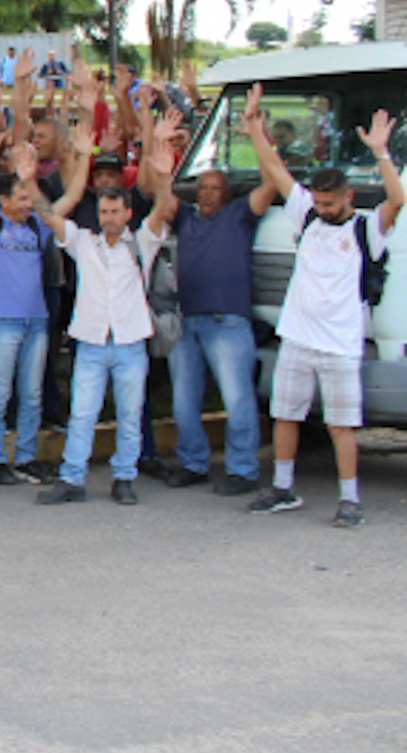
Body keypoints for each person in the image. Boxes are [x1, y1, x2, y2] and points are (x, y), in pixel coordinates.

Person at [245, 108, 402, 529]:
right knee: (286, 414)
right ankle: (282, 487)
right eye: (318, 202)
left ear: (348, 197)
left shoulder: (367, 230)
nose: (322, 208)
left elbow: (397, 200)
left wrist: (381, 152)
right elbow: (277, 170)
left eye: (329, 203)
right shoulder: (308, 216)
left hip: (340, 345)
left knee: (342, 426)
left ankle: (349, 499)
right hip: (297, 338)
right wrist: (256, 131)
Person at [34, 116, 179, 507]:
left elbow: (165, 210)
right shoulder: (84, 243)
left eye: (116, 211)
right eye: (105, 212)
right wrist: (77, 158)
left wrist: (164, 178)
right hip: (92, 343)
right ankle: (72, 478)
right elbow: (48, 215)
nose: (110, 218)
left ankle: (124, 477)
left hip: (131, 342)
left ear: (128, 214)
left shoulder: (143, 242)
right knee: (82, 414)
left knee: (130, 415)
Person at [163, 82, 279, 495]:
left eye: (215, 189)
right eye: (203, 188)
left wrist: (256, 132)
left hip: (227, 323)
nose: (207, 193)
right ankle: (193, 463)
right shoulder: (187, 219)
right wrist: (160, 150)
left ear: (227, 195)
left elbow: (272, 183)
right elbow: (161, 197)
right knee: (183, 404)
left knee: (237, 400)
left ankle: (243, 470)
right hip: (189, 322)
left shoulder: (240, 216)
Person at [0, 111, 68, 486]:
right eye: (21, 198)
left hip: (36, 322)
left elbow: (49, 209)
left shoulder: (37, 227)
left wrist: (29, 178)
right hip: (1, 323)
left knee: (32, 395)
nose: (27, 204)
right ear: (4, 200)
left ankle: (26, 457)